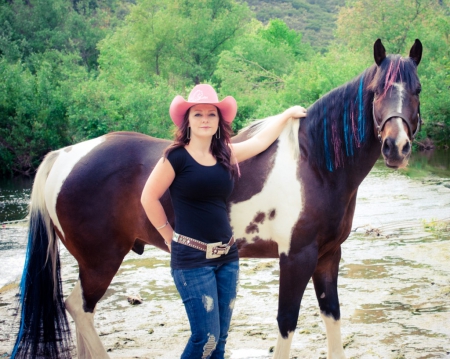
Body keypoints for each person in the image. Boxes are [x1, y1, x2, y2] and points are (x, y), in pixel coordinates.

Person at [140, 84, 306, 359]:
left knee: (220, 341)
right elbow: (149, 197)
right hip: (192, 261)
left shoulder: (225, 153)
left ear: (219, 121)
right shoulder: (176, 157)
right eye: (198, 114)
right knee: (204, 338)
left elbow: (260, 142)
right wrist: (168, 236)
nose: (205, 119)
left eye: (211, 114)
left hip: (228, 257)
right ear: (188, 121)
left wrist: (286, 115)